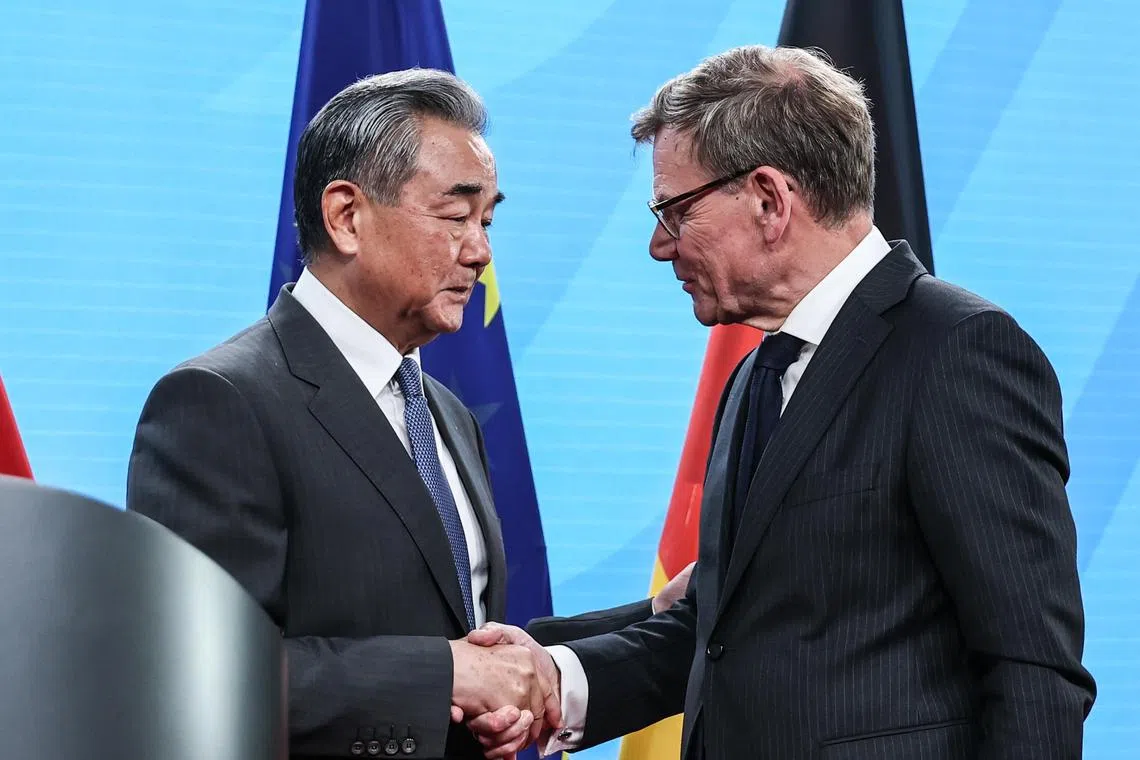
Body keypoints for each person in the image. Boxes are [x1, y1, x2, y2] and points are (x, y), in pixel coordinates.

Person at [468, 45, 1096, 759]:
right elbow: (725, 632)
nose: (657, 246)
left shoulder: (958, 352)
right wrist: (553, 675)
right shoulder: (758, 376)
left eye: (674, 211)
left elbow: (1032, 670)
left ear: (770, 200)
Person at [125, 68, 672, 760]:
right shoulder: (220, 403)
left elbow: (471, 640)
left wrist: (653, 618)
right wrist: (448, 675)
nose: (481, 252)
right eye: (456, 216)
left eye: (489, 220)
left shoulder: (445, 413)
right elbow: (198, 676)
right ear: (347, 216)